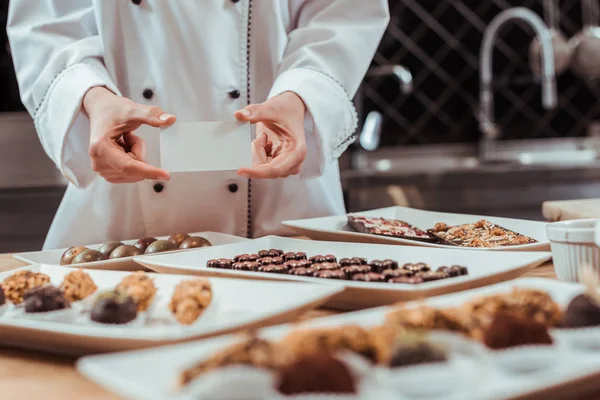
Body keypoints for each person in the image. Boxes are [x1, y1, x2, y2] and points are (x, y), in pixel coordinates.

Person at [8, 1, 389, 250]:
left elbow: (343, 15)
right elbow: (45, 27)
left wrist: (301, 94)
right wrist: (92, 97)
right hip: (121, 211)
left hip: (280, 195)